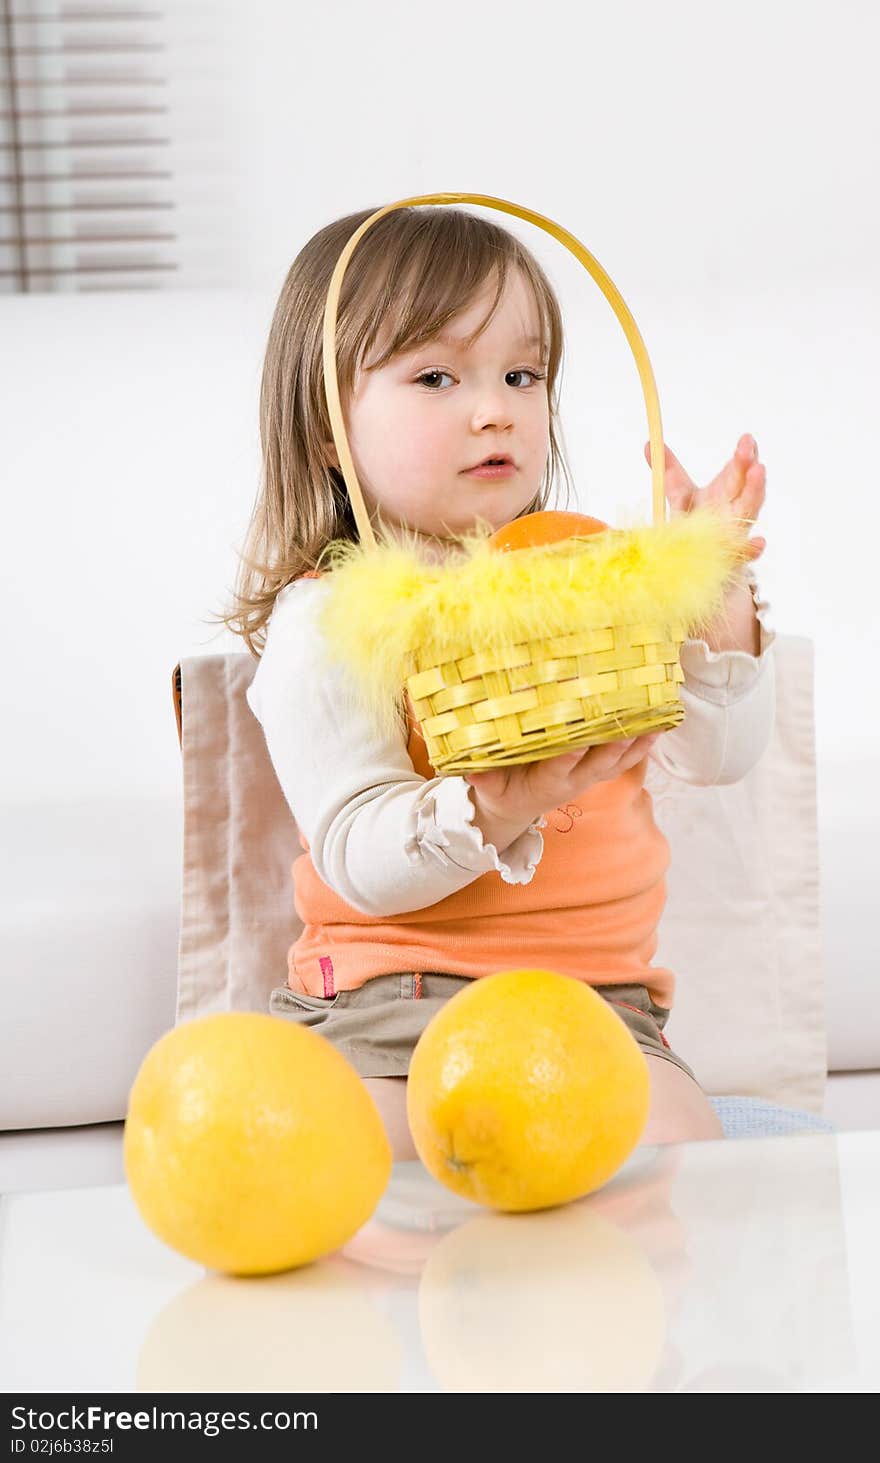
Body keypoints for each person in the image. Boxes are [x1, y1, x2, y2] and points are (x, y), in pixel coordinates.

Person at [215, 203, 775, 1160]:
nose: (495, 408)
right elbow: (357, 852)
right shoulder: (335, 615)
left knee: (683, 1158)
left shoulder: (585, 578)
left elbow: (720, 755)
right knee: (345, 1165)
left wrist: (711, 600)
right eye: (437, 376)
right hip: (392, 1008)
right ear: (325, 429)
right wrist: (492, 806)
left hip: (594, 1008)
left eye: (522, 374)